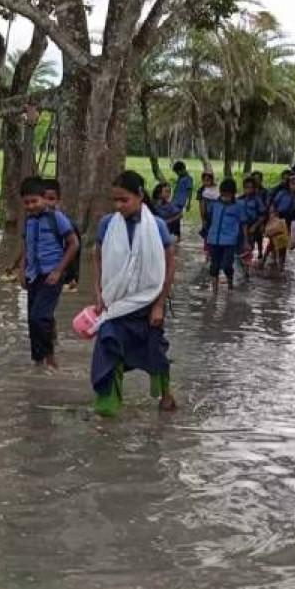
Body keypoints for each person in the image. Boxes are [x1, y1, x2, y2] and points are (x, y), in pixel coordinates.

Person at [91, 170, 178, 418]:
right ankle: (107, 409)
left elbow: (169, 265)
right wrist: (98, 294)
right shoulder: (107, 224)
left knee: (155, 351)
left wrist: (160, 304)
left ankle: (166, 396)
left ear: (140, 196)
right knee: (108, 349)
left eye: (124, 200)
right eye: (115, 200)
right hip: (116, 305)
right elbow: (97, 258)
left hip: (147, 305)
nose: (118, 206)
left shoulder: (157, 226)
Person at [16, 177, 80, 373]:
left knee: (39, 316)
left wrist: (59, 270)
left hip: (52, 274)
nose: (31, 206)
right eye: (26, 202)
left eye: (34, 201)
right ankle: (38, 362)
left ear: (44, 199)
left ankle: (51, 358)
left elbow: (74, 243)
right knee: (32, 320)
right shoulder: (28, 220)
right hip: (33, 275)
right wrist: (21, 270)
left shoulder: (57, 218)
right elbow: (27, 246)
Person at [205, 179, 247, 293]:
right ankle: (214, 293)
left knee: (226, 264)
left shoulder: (239, 206)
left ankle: (230, 283)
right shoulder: (214, 204)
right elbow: (208, 221)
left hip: (229, 241)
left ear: (233, 194)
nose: (226, 197)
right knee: (214, 267)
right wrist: (206, 239)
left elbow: (243, 223)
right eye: (223, 194)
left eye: (228, 194)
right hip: (214, 240)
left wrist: (246, 241)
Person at [239, 176, 269, 261]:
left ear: (255, 188)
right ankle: (242, 266)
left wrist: (255, 226)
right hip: (240, 227)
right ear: (243, 188)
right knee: (239, 248)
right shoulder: (239, 199)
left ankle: (247, 268)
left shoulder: (257, 200)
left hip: (252, 227)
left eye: (251, 187)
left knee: (249, 248)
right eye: (246, 187)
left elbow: (263, 215)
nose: (248, 190)